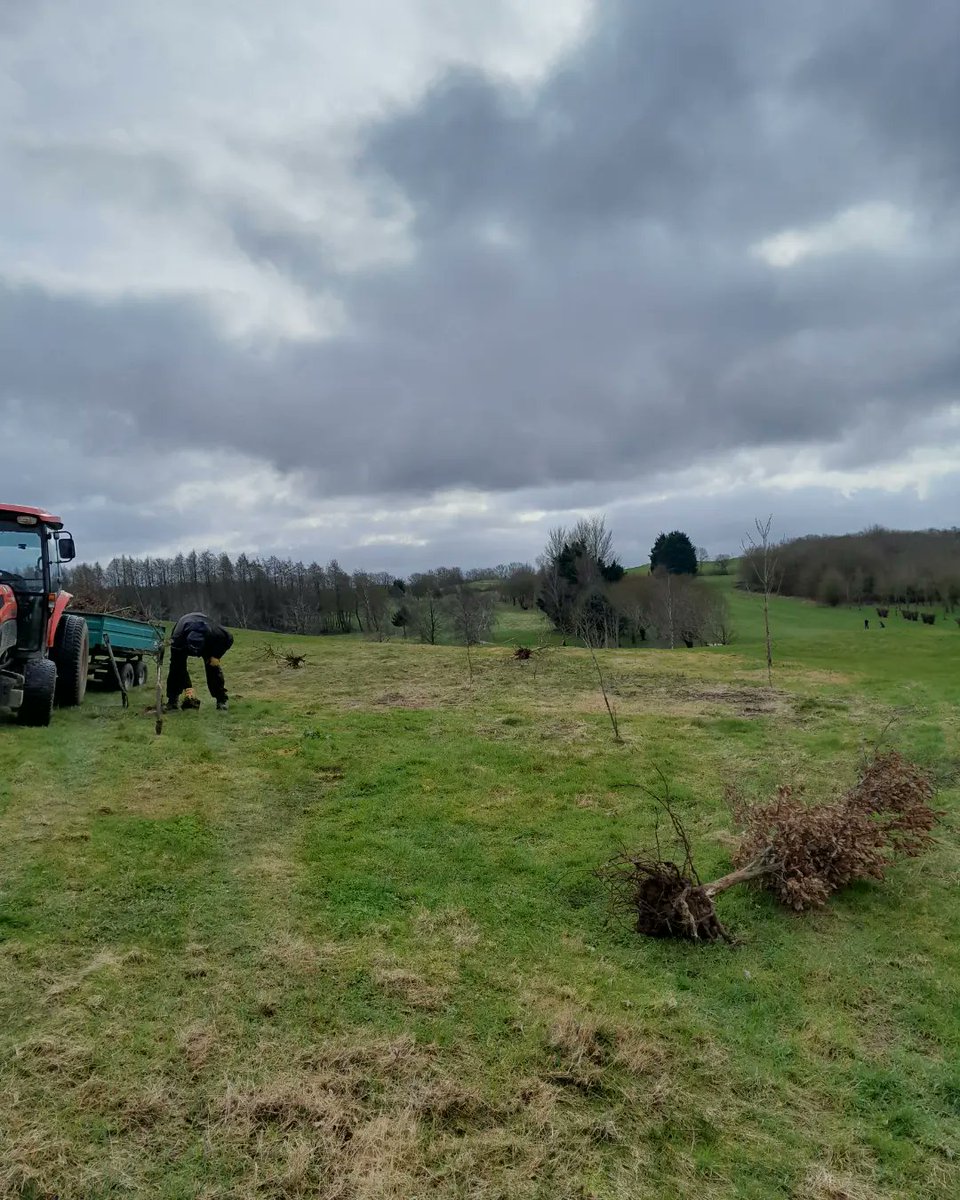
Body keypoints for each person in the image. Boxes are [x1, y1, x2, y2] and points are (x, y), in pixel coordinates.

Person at [166, 612, 234, 711]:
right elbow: (179, 666)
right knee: (176, 668)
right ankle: (172, 701)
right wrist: (188, 687)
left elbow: (229, 639)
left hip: (208, 642)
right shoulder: (178, 637)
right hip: (183, 636)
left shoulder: (217, 633)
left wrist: (216, 656)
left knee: (213, 667)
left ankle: (221, 700)